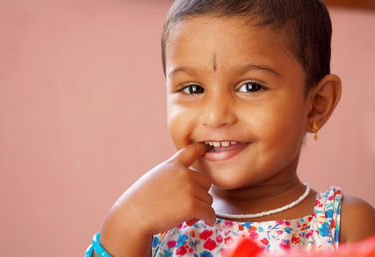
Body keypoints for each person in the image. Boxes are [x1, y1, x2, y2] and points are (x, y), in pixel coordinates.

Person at [86, 0, 375, 256]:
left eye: (250, 87)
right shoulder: (156, 227)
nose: (215, 116)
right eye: (193, 88)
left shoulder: (346, 225)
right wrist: (127, 221)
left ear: (316, 104)